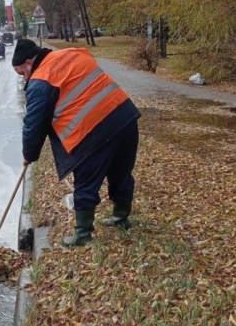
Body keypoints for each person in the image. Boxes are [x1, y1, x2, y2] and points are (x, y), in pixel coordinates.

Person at [12, 38, 141, 247]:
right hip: (124, 117)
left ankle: (82, 235)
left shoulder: (40, 80)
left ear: (29, 62)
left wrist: (29, 154)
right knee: (121, 172)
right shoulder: (73, 53)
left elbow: (34, 125)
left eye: (21, 73)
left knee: (86, 182)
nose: (24, 78)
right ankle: (121, 218)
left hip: (93, 133)